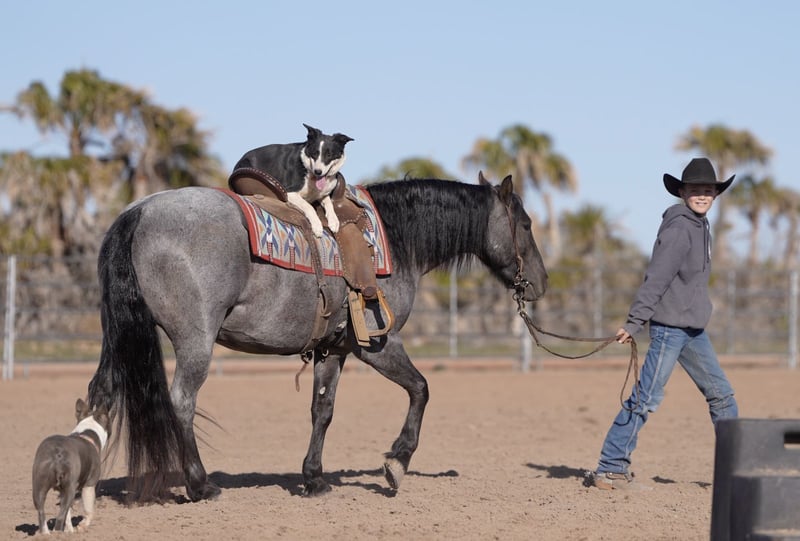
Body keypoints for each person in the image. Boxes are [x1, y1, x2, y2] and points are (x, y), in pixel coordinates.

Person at [591, 157, 739, 490]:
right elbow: (656, 278)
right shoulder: (679, 229)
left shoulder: (701, 226)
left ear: (716, 194)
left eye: (708, 190)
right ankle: (611, 467)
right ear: (682, 192)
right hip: (670, 329)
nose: (702, 195)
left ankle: (737, 466)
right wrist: (634, 321)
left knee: (722, 396)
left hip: (693, 330)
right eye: (695, 190)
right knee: (645, 399)